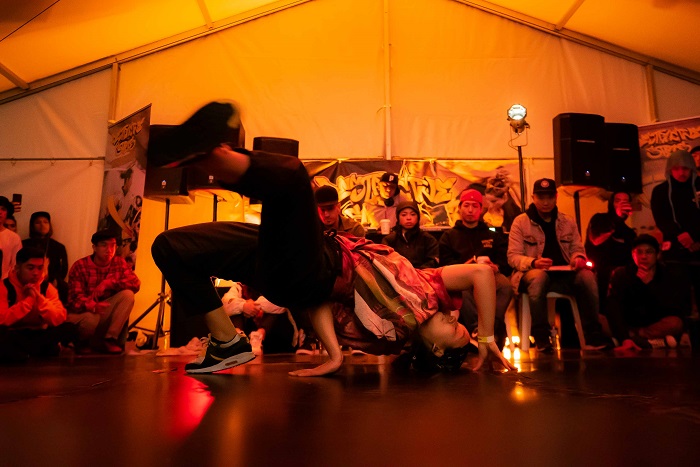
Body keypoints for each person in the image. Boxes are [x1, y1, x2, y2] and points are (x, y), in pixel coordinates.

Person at [148, 101, 513, 376]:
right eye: (463, 325)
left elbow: (323, 298)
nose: (456, 321)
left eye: (457, 334)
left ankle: (203, 153)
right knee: (170, 247)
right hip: (301, 252)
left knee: (291, 176)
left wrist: (334, 354)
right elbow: (482, 275)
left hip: (309, 274)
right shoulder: (430, 289)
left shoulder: (386, 335)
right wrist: (485, 337)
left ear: (434, 350)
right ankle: (226, 342)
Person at [507, 178, 613, 352]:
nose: (546, 202)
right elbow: (513, 257)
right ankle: (541, 335)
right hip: (533, 274)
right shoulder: (521, 222)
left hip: (565, 274)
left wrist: (578, 258)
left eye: (549, 197)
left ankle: (592, 335)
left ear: (556, 197)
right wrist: (534, 262)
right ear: (533, 197)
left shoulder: (567, 221)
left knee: (587, 275)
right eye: (541, 197)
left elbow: (578, 248)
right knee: (538, 277)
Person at [439, 189, 513, 349]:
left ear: (481, 210)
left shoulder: (492, 235)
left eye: (475, 206)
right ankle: (477, 328)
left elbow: (506, 262)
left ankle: (491, 325)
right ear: (460, 208)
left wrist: (495, 266)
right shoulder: (449, 236)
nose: (470, 210)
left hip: (491, 277)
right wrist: (466, 266)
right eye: (466, 205)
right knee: (464, 288)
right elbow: (444, 265)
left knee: (506, 286)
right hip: (462, 278)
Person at [606, 235, 689, 350]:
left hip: (653, 324)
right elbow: (614, 306)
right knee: (601, 320)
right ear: (632, 254)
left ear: (657, 254)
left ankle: (634, 338)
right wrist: (636, 283)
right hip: (628, 322)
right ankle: (645, 341)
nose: (643, 256)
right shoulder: (622, 274)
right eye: (639, 252)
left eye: (649, 252)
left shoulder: (666, 274)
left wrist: (649, 286)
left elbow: (671, 307)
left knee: (676, 323)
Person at [66, 230, 141, 354]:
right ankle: (82, 343)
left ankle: (110, 339)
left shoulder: (119, 262)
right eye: (104, 245)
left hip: (104, 312)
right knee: (91, 318)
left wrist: (109, 283)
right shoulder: (80, 266)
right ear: (94, 247)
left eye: (113, 245)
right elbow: (74, 300)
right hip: (85, 313)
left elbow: (135, 284)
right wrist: (93, 306)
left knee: (127, 295)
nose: (109, 249)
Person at [0, 247, 74, 363]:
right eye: (30, 268)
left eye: (40, 268)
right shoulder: (4, 286)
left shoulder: (46, 287)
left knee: (69, 328)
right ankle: (39, 351)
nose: (36, 273)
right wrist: (29, 300)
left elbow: (59, 317)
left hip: (38, 333)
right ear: (18, 267)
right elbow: (2, 320)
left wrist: (39, 298)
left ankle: (28, 353)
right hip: (14, 333)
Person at [650, 149, 700, 314]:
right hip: (675, 255)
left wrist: (693, 236)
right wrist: (682, 237)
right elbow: (661, 219)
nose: (681, 172)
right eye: (677, 168)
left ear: (691, 169)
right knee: (679, 302)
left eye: (685, 168)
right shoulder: (660, 191)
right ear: (670, 169)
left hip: (698, 248)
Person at [585, 192, 636, 315]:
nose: (622, 204)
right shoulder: (599, 219)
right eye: (618, 201)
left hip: (622, 277)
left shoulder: (629, 233)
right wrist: (617, 218)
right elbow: (596, 240)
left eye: (625, 201)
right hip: (599, 273)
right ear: (611, 203)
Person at [221, 282, 298, 355]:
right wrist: (243, 306)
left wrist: (254, 307)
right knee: (235, 310)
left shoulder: (273, 284)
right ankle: (237, 339)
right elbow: (225, 302)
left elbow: (280, 303)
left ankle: (257, 337)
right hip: (247, 332)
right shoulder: (239, 287)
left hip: (273, 334)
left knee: (274, 312)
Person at [22, 211, 69, 305]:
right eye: (38, 222)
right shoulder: (24, 244)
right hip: (28, 282)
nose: (42, 225)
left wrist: (51, 279)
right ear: (32, 226)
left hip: (51, 283)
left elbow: (63, 270)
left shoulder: (59, 247)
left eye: (45, 222)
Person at [382, 200, 438, 269]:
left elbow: (433, 261)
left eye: (413, 214)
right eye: (404, 215)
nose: (408, 218)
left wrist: (417, 273)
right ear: (398, 218)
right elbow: (385, 263)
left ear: (418, 218)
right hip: (397, 277)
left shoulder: (428, 239)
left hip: (422, 276)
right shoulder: (389, 240)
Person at [0, 196, 22, 280]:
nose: (0, 212)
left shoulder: (14, 237)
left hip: (4, 284)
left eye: (3, 209)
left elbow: (15, 265)